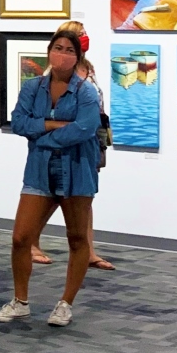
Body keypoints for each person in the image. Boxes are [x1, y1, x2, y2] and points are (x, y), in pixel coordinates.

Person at [0, 30, 100, 326]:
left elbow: (85, 129)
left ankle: (65, 304)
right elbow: (20, 122)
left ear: (77, 56)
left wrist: (42, 137)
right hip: (39, 171)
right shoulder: (32, 87)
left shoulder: (86, 92)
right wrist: (52, 124)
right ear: (49, 51)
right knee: (20, 237)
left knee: (77, 239)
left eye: (68, 50)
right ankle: (20, 301)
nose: (62, 54)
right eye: (57, 48)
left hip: (76, 171)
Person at [31, 21, 115, 271]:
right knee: (54, 196)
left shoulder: (88, 68)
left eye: (83, 34)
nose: (83, 38)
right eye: (78, 35)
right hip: (66, 141)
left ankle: (88, 250)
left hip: (92, 139)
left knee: (84, 196)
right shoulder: (53, 74)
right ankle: (31, 242)